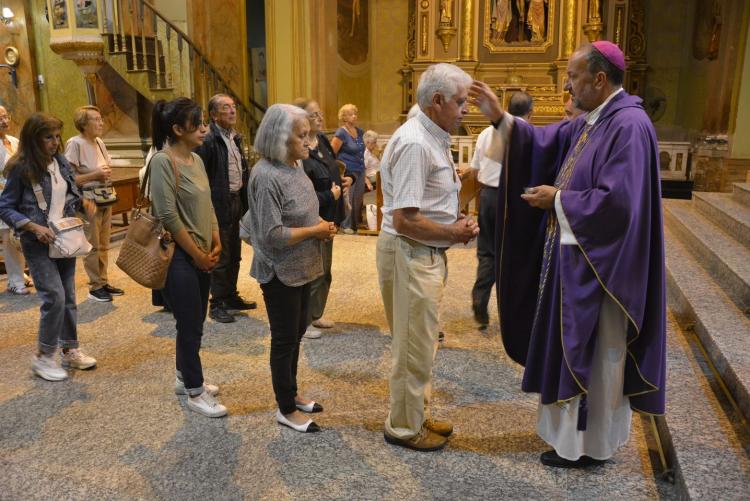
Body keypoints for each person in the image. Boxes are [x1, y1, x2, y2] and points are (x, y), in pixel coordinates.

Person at [470, 41, 666, 467]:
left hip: (602, 270)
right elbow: (544, 142)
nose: (567, 84)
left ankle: (587, 447)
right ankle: (573, 442)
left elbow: (620, 203)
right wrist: (499, 118)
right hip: (578, 259)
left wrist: (558, 199)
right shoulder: (596, 120)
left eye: (574, 76)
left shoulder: (627, 125)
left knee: (594, 356)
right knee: (578, 350)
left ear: (599, 78)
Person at [377, 63, 481, 452]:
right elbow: (405, 220)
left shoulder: (433, 134)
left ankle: (415, 413)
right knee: (412, 346)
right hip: (411, 252)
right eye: (459, 101)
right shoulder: (416, 142)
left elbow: (425, 200)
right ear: (436, 101)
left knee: (422, 342)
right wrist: (452, 231)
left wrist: (451, 220)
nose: (465, 109)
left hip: (424, 251)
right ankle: (404, 427)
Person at [242, 104, 336, 433]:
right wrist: (315, 231)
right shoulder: (266, 176)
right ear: (280, 138)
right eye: (302, 135)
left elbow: (302, 212)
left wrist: (320, 223)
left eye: (308, 134)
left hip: (302, 266)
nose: (309, 142)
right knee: (284, 340)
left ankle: (291, 393)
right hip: (280, 271)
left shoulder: (294, 166)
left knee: (296, 335)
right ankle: (285, 408)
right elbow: (270, 234)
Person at [0, 112, 97, 381]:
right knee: (54, 297)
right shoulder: (21, 167)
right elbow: (5, 206)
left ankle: (70, 349)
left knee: (68, 297)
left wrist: (82, 205)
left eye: (57, 137)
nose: (55, 142)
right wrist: (31, 226)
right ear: (33, 139)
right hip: (38, 242)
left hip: (64, 238)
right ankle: (43, 357)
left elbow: (68, 193)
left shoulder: (60, 162)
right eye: (48, 138)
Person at [149, 98, 227, 418]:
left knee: (194, 321)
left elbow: (207, 204)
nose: (204, 128)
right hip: (179, 254)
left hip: (202, 251)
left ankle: (184, 377)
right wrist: (196, 254)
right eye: (197, 123)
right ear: (178, 129)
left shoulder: (195, 159)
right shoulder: (163, 162)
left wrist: (216, 240)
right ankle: (195, 391)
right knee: (190, 322)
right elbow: (167, 214)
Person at [468, 91, 534, 327]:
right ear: (531, 112)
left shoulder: (486, 132)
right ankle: (513, 315)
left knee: (487, 251)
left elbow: (475, 168)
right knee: (515, 254)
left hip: (487, 195)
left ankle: (480, 300)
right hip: (514, 199)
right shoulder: (530, 134)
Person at [294, 98, 353, 338]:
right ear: (301, 119)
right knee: (312, 272)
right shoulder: (298, 148)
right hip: (313, 218)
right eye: (314, 114)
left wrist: (348, 180)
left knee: (325, 271)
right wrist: (329, 194)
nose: (320, 117)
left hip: (330, 215)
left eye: (320, 113)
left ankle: (316, 314)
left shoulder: (324, 141)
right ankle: (303, 321)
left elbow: (333, 169)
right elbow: (300, 190)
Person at [195, 94, 257, 324]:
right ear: (213, 115)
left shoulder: (234, 138)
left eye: (233, 107)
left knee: (235, 251)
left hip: (236, 200)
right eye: (225, 108)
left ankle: (230, 295)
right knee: (221, 253)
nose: (232, 111)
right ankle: (217, 302)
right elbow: (201, 176)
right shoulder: (209, 140)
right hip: (218, 202)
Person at [64, 106, 124, 302]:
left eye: (101, 118)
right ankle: (94, 286)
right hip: (87, 200)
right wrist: (95, 175)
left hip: (104, 197)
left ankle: (103, 281)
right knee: (93, 245)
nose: (101, 123)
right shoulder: (75, 143)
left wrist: (104, 173)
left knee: (104, 244)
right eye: (96, 120)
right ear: (83, 124)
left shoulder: (98, 141)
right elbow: (68, 179)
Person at [0, 105, 32, 295]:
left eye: (6, 117)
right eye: (0, 118)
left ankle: (21, 273)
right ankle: (15, 280)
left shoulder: (13, 140)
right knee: (9, 239)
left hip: (20, 197)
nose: (4, 122)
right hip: (3, 199)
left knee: (21, 236)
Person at [331, 104, 366, 234]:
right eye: (351, 114)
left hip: (360, 170)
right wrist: (337, 171)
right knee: (348, 199)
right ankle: (345, 225)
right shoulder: (341, 133)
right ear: (344, 117)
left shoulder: (360, 131)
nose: (355, 116)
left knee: (358, 199)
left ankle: (355, 224)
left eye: (355, 113)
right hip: (348, 171)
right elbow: (332, 153)